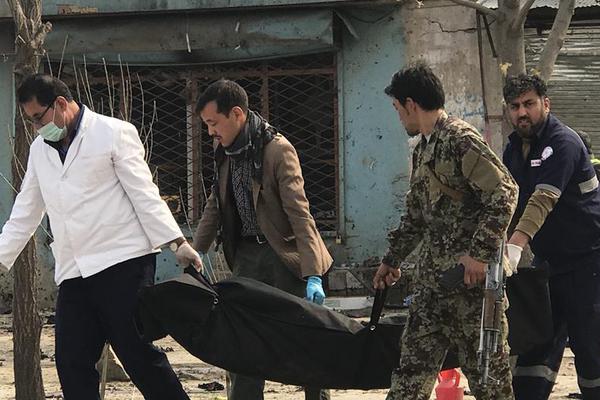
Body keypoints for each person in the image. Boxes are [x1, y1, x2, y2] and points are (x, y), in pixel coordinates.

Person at [0, 74, 202, 400]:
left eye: (39, 118)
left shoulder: (113, 133)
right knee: (71, 361)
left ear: (61, 104)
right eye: (31, 121)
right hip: (74, 270)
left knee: (136, 355)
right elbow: (25, 211)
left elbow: (144, 193)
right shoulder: (40, 150)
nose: (37, 128)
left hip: (123, 262)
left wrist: (177, 242)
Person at [372, 62, 518, 400]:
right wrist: (391, 260)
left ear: (411, 104)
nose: (398, 118)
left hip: (472, 292)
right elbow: (416, 217)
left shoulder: (460, 140)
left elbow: (505, 192)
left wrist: (480, 255)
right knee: (410, 377)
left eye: (397, 109)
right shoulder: (424, 148)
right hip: (432, 288)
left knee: (489, 384)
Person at [192, 79, 332, 400]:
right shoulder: (224, 149)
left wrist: (312, 274)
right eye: (206, 125)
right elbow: (216, 203)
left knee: (305, 338)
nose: (211, 132)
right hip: (245, 257)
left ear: (237, 114)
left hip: (284, 256)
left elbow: (299, 212)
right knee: (243, 342)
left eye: (214, 123)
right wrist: (194, 253)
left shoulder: (277, 150)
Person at [502, 74, 600, 400]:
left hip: (589, 262)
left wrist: (515, 245)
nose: (522, 113)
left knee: (590, 347)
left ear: (546, 103)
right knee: (536, 342)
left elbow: (543, 198)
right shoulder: (514, 150)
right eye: (515, 106)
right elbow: (506, 202)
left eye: (529, 104)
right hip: (548, 265)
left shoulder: (563, 143)